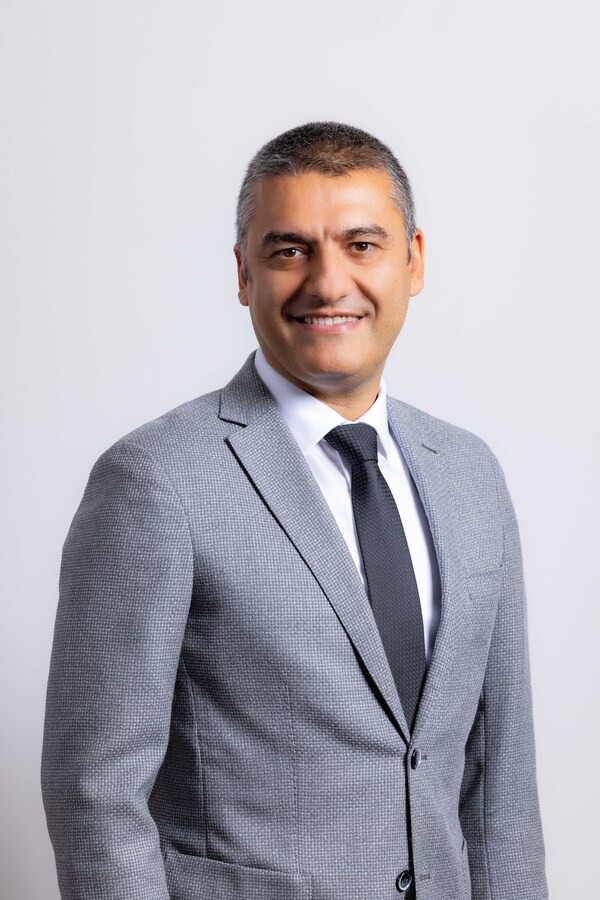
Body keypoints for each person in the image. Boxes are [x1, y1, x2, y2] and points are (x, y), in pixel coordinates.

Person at [41, 122, 548, 900]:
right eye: (289, 251)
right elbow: (95, 796)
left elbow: (500, 784)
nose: (328, 283)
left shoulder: (471, 474)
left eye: (361, 245)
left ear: (413, 261)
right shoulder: (154, 481)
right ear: (244, 273)